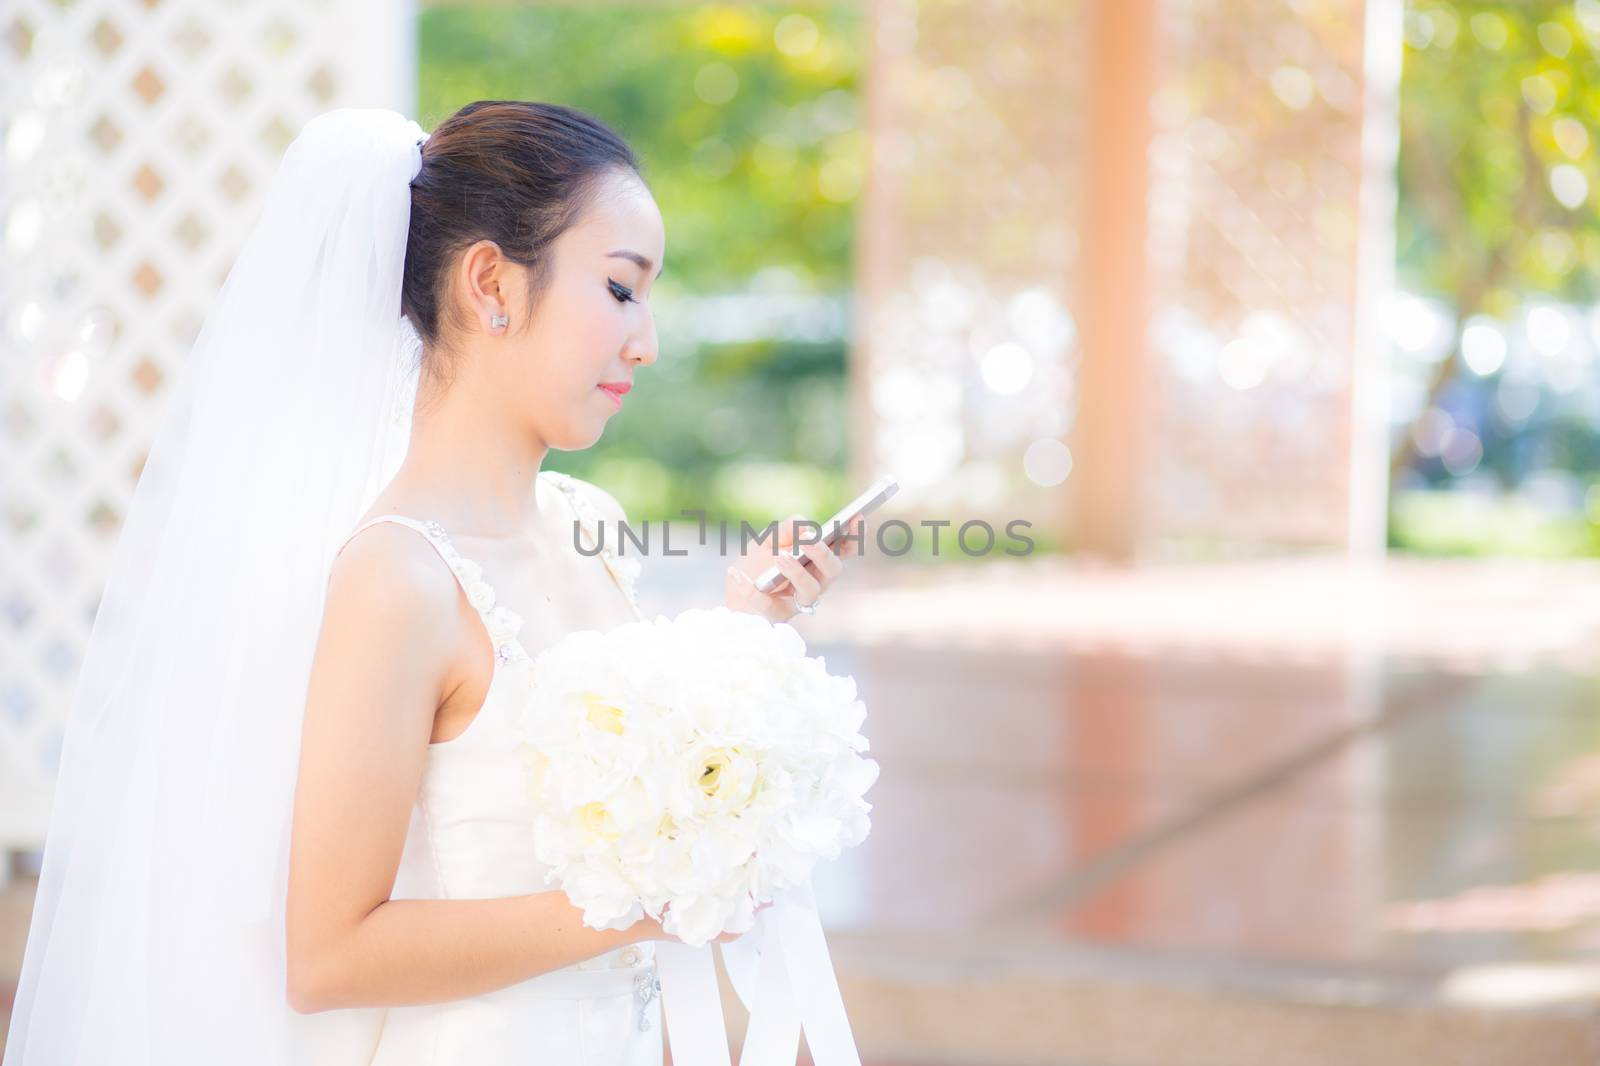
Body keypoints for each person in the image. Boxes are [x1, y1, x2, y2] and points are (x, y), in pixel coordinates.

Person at [2, 101, 859, 1065]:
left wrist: (750, 628)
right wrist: (643, 907)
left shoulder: (589, 526)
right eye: (622, 290)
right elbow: (329, 954)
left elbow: (629, 784)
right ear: (491, 282)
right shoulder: (397, 579)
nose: (646, 341)